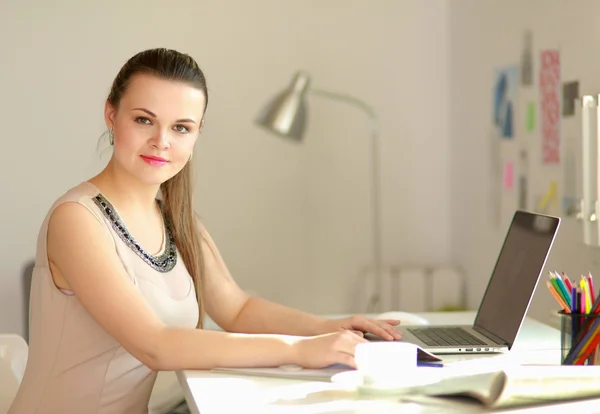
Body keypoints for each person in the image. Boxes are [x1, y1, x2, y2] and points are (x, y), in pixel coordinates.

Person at [8, 48, 401, 414]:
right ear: (112, 115)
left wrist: (330, 328)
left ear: (196, 134)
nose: (161, 141)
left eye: (181, 128)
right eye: (144, 119)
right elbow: (155, 345)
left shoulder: (176, 219)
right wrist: (300, 349)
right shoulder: (76, 219)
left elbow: (237, 309)